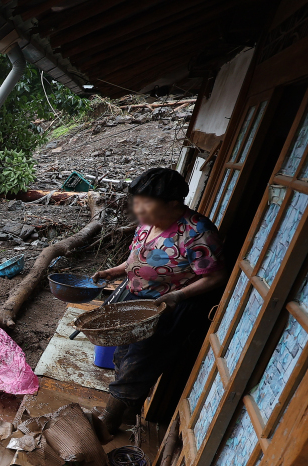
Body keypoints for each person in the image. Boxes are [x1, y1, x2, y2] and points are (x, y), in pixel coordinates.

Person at [91, 167, 227, 438]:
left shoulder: (197, 233)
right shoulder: (147, 222)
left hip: (164, 309)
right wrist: (116, 271)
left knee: (138, 362)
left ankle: (109, 421)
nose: (138, 210)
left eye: (146, 204)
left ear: (173, 204)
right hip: (134, 299)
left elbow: (215, 277)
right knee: (122, 354)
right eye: (137, 202)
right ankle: (129, 409)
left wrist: (178, 295)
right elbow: (137, 258)